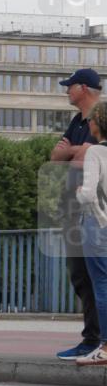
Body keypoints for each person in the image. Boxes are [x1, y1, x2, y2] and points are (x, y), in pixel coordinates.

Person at [51, 68, 102, 359]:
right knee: (80, 276)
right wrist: (74, 152)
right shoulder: (77, 121)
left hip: (93, 208)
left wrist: (76, 153)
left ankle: (96, 340)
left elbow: (88, 158)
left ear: (83, 88)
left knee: (96, 275)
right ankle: (92, 338)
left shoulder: (101, 118)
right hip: (72, 206)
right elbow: (56, 156)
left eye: (70, 86)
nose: (66, 91)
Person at [75, 101, 107, 367]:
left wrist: (79, 196)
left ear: (97, 123)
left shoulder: (96, 152)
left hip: (98, 226)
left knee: (102, 285)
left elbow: (87, 193)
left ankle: (105, 347)